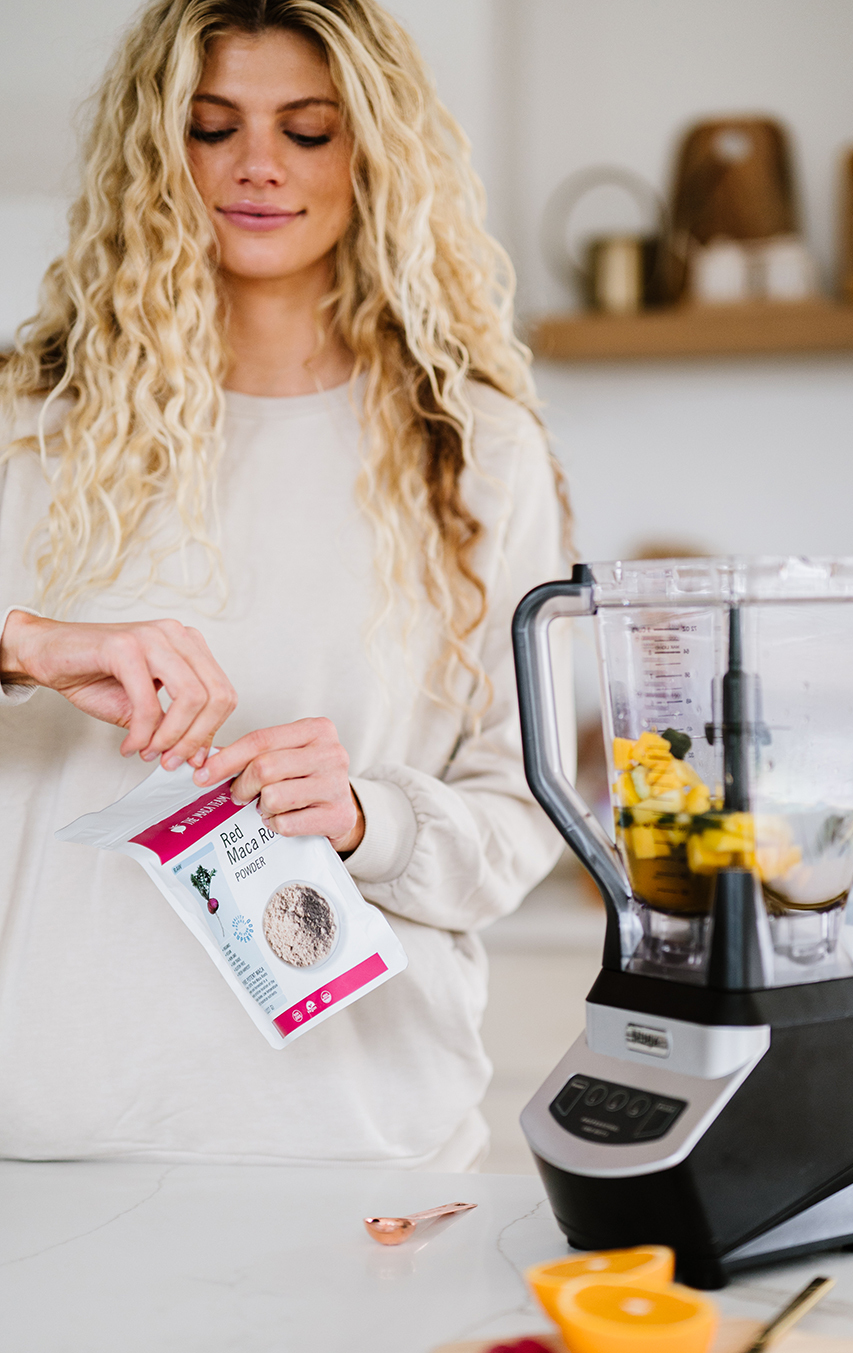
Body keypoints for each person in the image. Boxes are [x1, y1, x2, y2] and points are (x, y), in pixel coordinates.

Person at [0, 0, 571, 1170]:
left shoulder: (476, 452)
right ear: (156, 150)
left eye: (309, 131)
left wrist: (372, 816)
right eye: (213, 128)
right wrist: (24, 645)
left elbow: (528, 814)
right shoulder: (27, 424)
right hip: (44, 1137)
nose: (259, 166)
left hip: (359, 1147)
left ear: (376, 150)